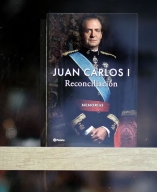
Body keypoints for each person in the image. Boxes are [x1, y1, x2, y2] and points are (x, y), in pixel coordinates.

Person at [54, 16, 133, 147]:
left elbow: (118, 99)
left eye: (97, 30)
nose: (93, 35)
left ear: (101, 34)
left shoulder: (112, 61)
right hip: (79, 132)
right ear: (81, 33)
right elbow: (65, 97)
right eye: (88, 30)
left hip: (105, 129)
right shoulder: (69, 60)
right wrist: (87, 129)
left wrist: (106, 128)